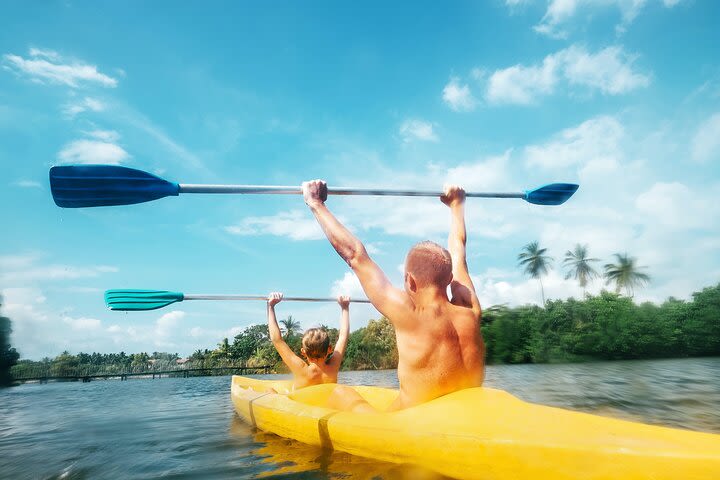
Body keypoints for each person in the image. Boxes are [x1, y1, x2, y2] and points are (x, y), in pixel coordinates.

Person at [302, 180, 484, 412]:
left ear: (410, 281)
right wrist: (457, 205)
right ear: (449, 280)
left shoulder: (408, 312)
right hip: (464, 414)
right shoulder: (470, 308)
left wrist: (315, 203)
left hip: (417, 425)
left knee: (340, 392)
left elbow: (355, 256)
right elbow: (458, 253)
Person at [267, 292, 351, 389]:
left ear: (303, 351)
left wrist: (271, 306)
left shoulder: (300, 368)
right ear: (330, 349)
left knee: (270, 390)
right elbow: (343, 336)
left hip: (300, 401)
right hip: (325, 402)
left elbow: (277, 340)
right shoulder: (333, 367)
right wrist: (345, 308)